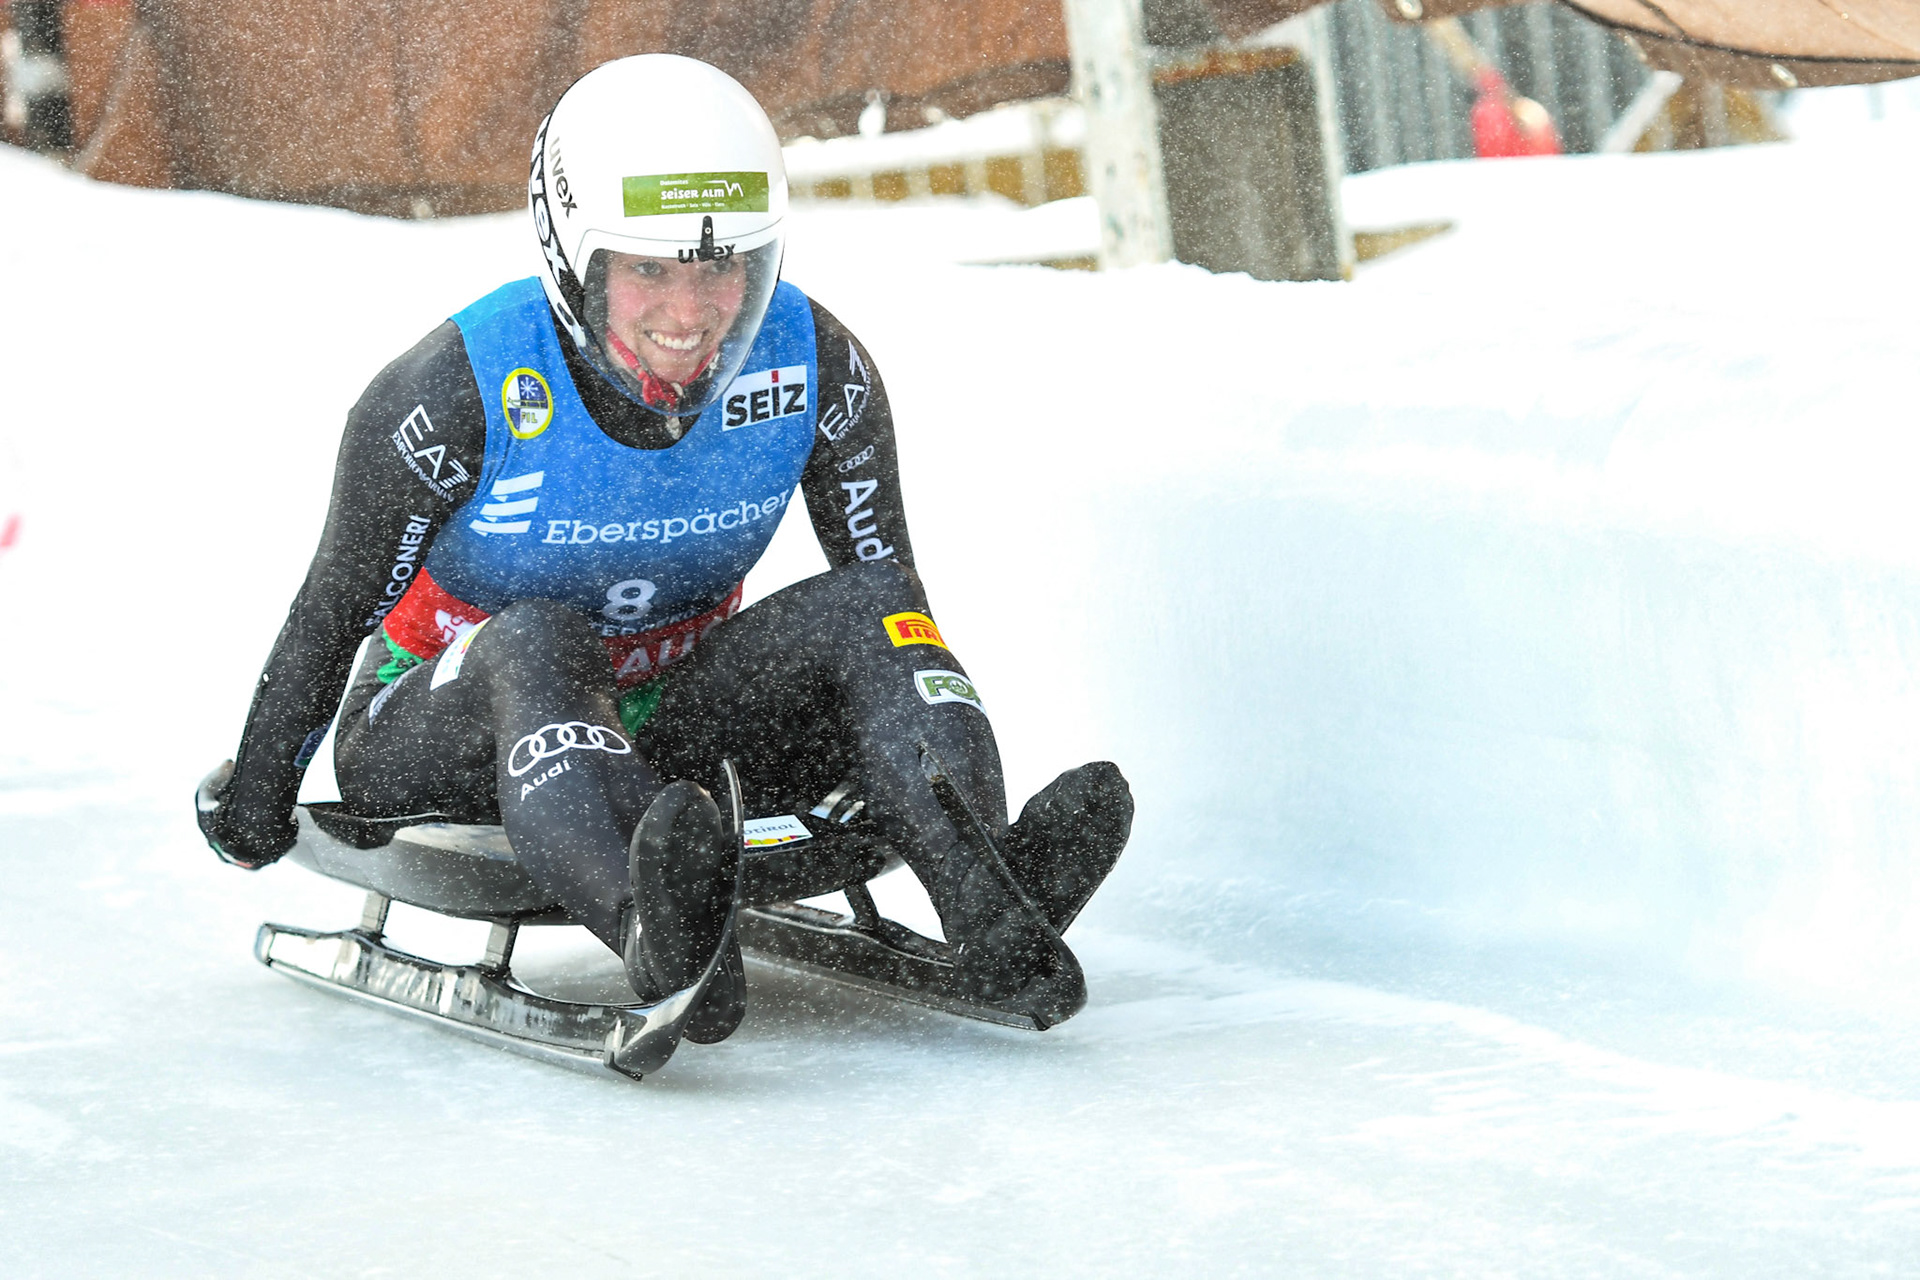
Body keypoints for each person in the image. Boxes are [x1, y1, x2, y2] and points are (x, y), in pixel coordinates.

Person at [196, 54, 1132, 1044]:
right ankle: (661, 932)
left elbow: (893, 609)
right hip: (441, 728)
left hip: (664, 729)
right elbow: (332, 611)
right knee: (540, 636)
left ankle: (988, 893)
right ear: (575, 260)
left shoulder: (816, 364)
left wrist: (912, 780)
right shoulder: (454, 389)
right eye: (648, 270)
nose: (690, 316)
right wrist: (257, 802)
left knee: (874, 602)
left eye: (722, 269)